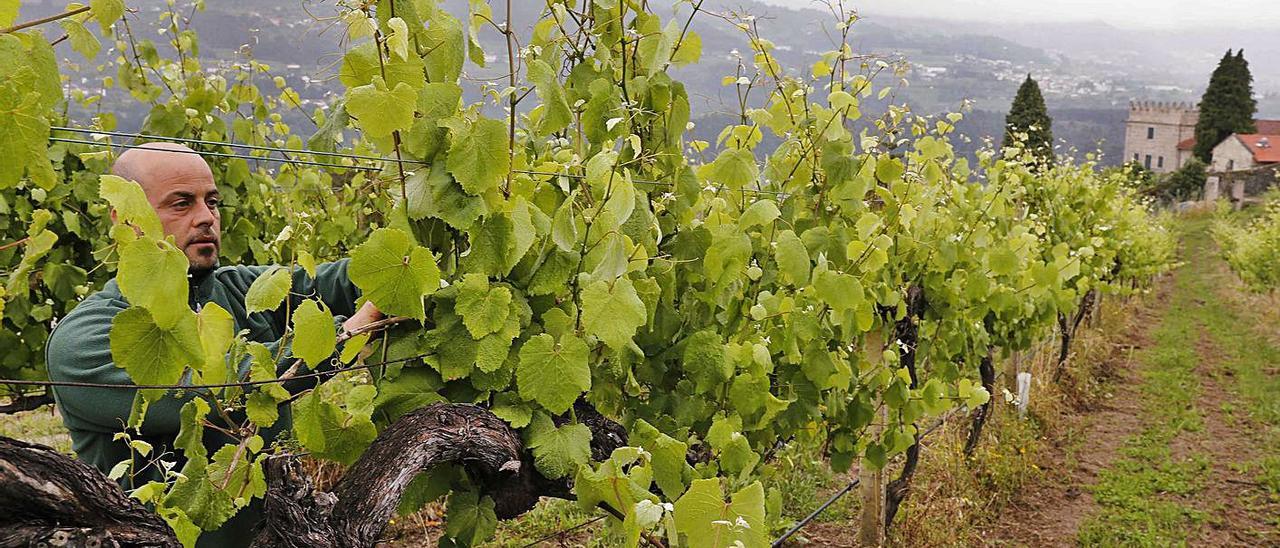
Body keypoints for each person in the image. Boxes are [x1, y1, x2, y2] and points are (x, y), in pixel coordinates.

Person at [45, 142, 383, 545]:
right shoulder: (84, 340)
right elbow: (231, 394)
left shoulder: (241, 291)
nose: (206, 218)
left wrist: (406, 256)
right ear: (126, 218)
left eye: (212, 202)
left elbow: (347, 279)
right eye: (181, 204)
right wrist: (351, 331)